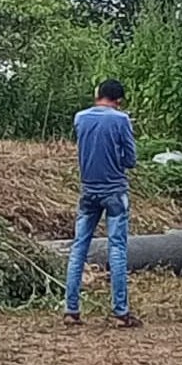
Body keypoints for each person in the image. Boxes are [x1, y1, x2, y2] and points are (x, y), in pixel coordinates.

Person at [64, 78, 140, 327]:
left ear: (98, 95)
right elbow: (131, 159)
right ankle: (120, 311)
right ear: (118, 100)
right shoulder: (121, 120)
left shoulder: (80, 118)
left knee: (78, 248)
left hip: (88, 191)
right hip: (114, 191)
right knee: (117, 248)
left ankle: (71, 309)